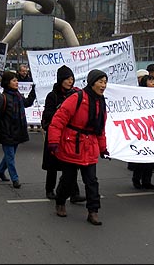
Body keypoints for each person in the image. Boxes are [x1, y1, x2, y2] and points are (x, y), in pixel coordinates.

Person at [48, 69, 109, 226]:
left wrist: (103, 148)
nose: (103, 85)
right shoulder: (77, 98)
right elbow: (58, 120)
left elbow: (100, 128)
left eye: (105, 82)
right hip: (71, 144)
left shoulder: (101, 102)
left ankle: (93, 211)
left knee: (92, 181)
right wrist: (53, 142)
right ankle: (60, 201)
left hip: (90, 146)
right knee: (68, 179)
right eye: (100, 81)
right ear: (92, 82)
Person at [41, 65, 86, 202]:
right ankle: (50, 189)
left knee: (70, 165)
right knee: (52, 165)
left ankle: (74, 193)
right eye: (67, 79)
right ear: (61, 80)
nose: (70, 82)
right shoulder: (52, 95)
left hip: (69, 135)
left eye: (72, 79)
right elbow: (47, 115)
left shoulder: (74, 95)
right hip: (55, 132)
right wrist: (60, 110)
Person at [0, 71, 36, 188]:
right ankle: (15, 179)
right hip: (7, 132)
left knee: (10, 155)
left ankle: (0, 171)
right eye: (14, 81)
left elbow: (27, 103)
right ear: (7, 83)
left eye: (16, 80)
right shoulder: (2, 98)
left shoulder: (18, 95)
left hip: (17, 131)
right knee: (10, 156)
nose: (16, 82)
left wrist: (34, 91)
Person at [128, 75, 154, 189]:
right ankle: (136, 179)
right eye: (150, 81)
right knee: (141, 158)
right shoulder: (139, 96)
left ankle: (147, 180)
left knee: (151, 158)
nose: (153, 83)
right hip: (143, 130)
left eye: (153, 81)